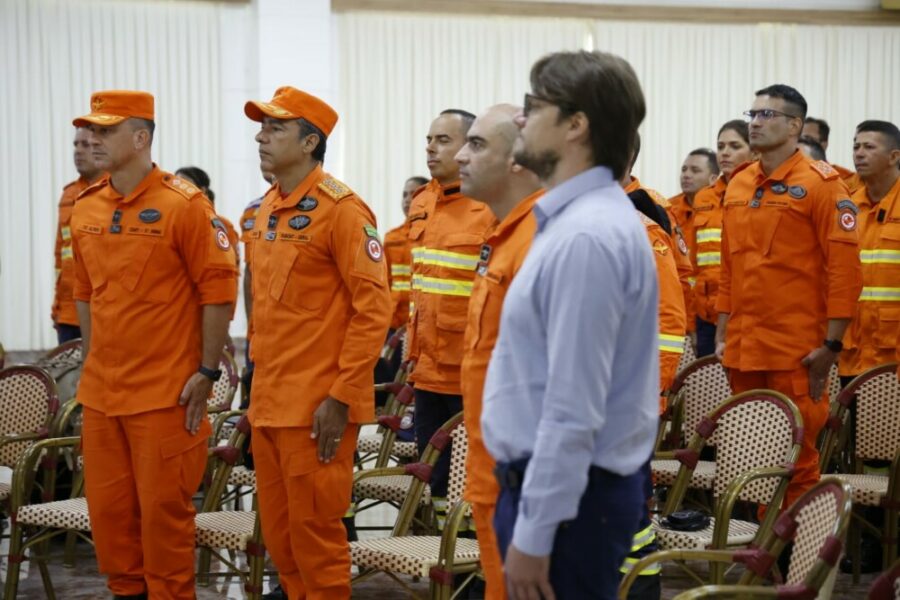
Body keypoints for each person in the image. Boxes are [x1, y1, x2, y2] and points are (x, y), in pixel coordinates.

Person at [482, 50, 659, 599]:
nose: (519, 118)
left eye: (533, 106)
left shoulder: (587, 237)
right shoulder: (576, 223)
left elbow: (574, 407)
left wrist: (534, 536)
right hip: (561, 495)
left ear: (576, 125)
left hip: (570, 506)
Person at [69, 90, 238, 599]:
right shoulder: (86, 205)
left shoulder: (184, 206)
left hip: (165, 396)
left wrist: (206, 372)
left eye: (105, 131)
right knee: (110, 515)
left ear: (140, 138)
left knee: (162, 518)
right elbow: (84, 291)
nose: (92, 140)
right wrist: (91, 359)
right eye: (89, 131)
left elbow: (219, 292)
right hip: (103, 395)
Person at [244, 86, 391, 600]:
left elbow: (374, 309)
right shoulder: (265, 209)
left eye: (275, 128)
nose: (261, 137)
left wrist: (342, 397)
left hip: (316, 409)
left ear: (310, 142)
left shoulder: (343, 211)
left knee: (315, 538)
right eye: (262, 127)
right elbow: (265, 310)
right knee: (282, 540)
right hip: (269, 403)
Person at [716, 85, 862, 510]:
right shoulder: (740, 183)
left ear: (795, 125)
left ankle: (797, 568)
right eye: (753, 113)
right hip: (742, 349)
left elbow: (845, 272)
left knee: (797, 465)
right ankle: (763, 558)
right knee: (754, 460)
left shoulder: (821, 185)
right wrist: (723, 332)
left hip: (796, 351)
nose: (755, 122)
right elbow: (730, 266)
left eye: (767, 115)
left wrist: (831, 347)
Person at [454, 103, 543, 599]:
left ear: (517, 159)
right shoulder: (504, 233)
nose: (461, 156)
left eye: (477, 144)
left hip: (526, 477)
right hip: (492, 463)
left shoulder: (541, 239)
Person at [405, 109, 497, 528]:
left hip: (470, 369)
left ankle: (471, 565)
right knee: (435, 478)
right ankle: (443, 555)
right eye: (428, 139)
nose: (431, 148)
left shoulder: (490, 206)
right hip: (427, 369)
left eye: (443, 140)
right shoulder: (422, 202)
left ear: (470, 146)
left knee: (471, 480)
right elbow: (420, 288)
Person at [838, 119, 900, 573]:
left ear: (894, 155)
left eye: (869, 146)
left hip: (896, 356)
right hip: (854, 355)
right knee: (863, 455)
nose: (858, 153)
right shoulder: (847, 204)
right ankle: (870, 546)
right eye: (855, 146)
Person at [691, 120, 755, 358]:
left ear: (754, 151)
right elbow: (694, 265)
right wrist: (691, 322)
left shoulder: (758, 194)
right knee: (709, 391)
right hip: (706, 316)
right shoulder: (704, 198)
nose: (725, 152)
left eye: (735, 146)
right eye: (721, 146)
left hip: (743, 314)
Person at [52, 127, 102, 343]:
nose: (78, 151)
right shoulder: (69, 194)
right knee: (68, 377)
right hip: (68, 314)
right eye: (75, 144)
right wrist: (57, 306)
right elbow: (60, 256)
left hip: (102, 312)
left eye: (86, 145)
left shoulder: (118, 191)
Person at [384, 176, 427, 333]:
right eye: (404, 195)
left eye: (413, 194)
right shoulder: (391, 237)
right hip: (392, 321)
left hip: (419, 322)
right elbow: (384, 282)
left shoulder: (431, 237)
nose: (408, 200)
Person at [804, 116, 862, 193]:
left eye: (807, 139)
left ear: (824, 143)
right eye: (796, 138)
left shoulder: (844, 178)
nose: (799, 143)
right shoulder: (787, 172)